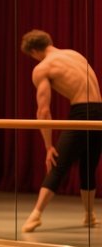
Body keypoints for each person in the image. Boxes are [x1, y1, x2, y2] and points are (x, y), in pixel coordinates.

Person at [20, 30, 101, 232]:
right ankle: (89, 215)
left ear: (34, 51)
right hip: (100, 111)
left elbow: (44, 110)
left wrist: (48, 146)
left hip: (83, 112)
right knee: (88, 165)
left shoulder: (43, 68)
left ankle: (36, 214)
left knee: (57, 163)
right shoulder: (74, 55)